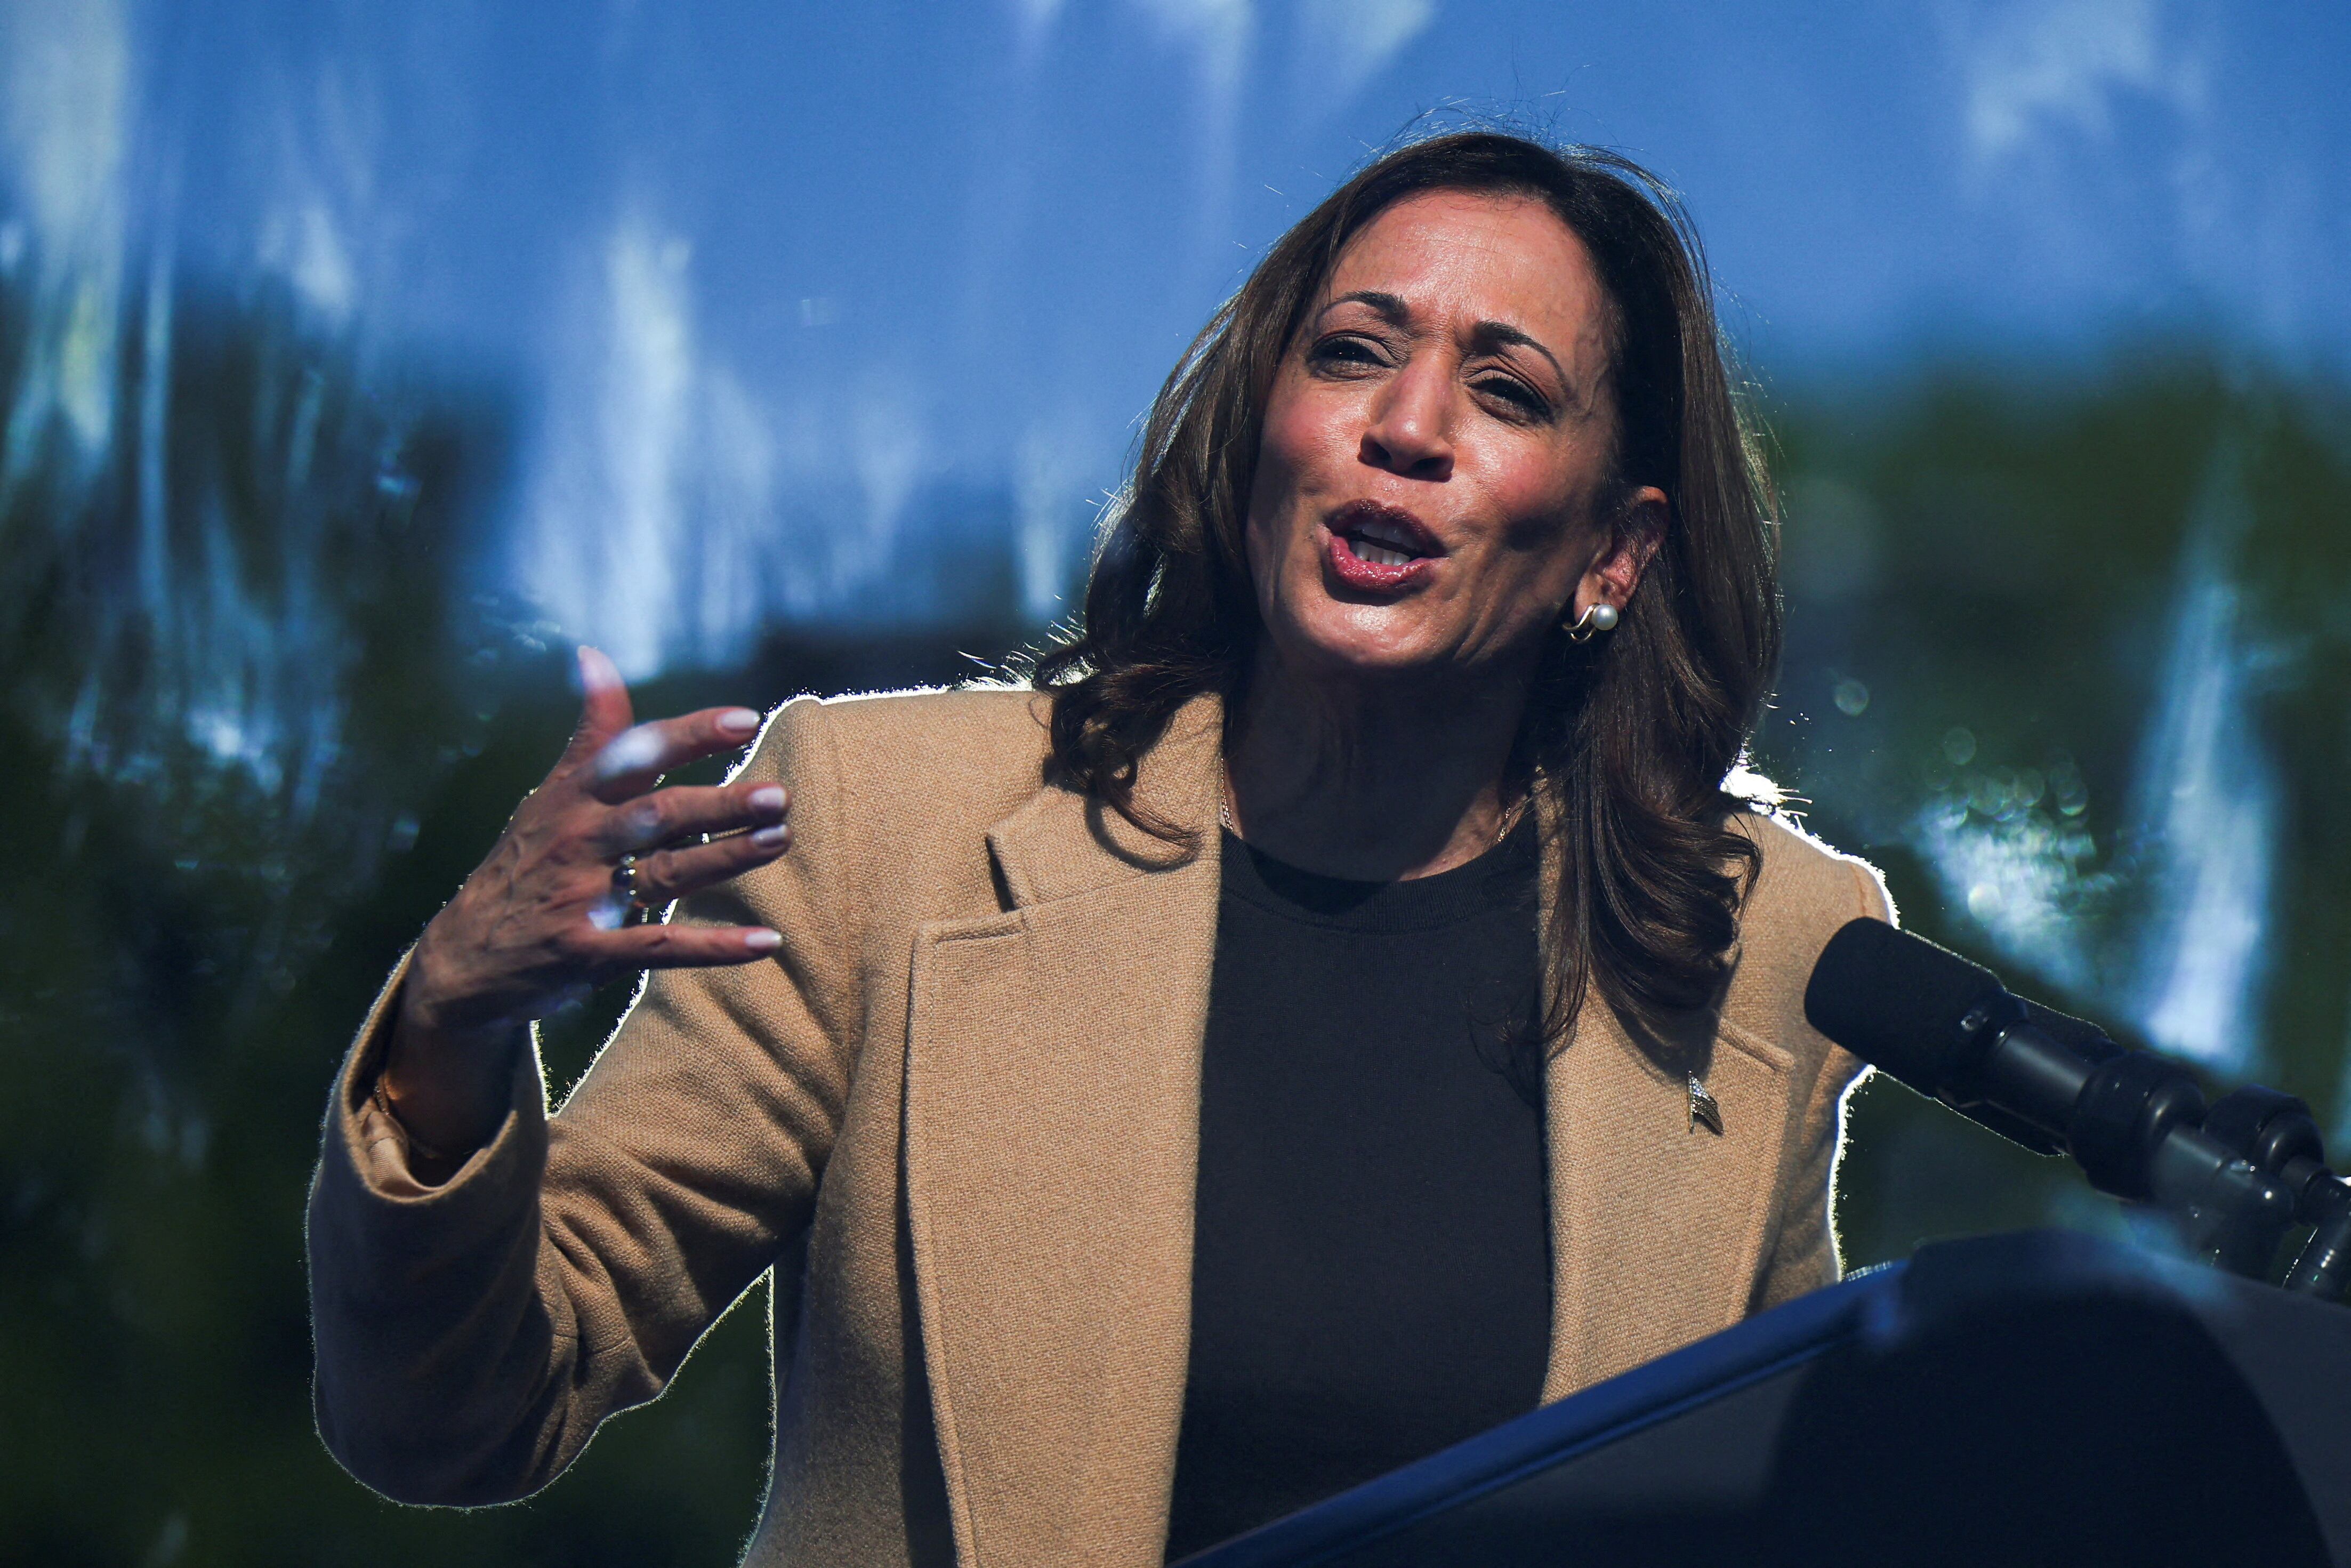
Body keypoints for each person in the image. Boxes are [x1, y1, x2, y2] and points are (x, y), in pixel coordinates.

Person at [308, 130, 1891, 1565]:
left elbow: (1786, 1514)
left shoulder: (1761, 959)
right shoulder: (884, 837)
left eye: (1504, 390)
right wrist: (447, 1028)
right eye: (1352, 355)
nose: (1405, 427)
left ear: (1612, 552)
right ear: (1263, 427)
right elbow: (459, 1420)